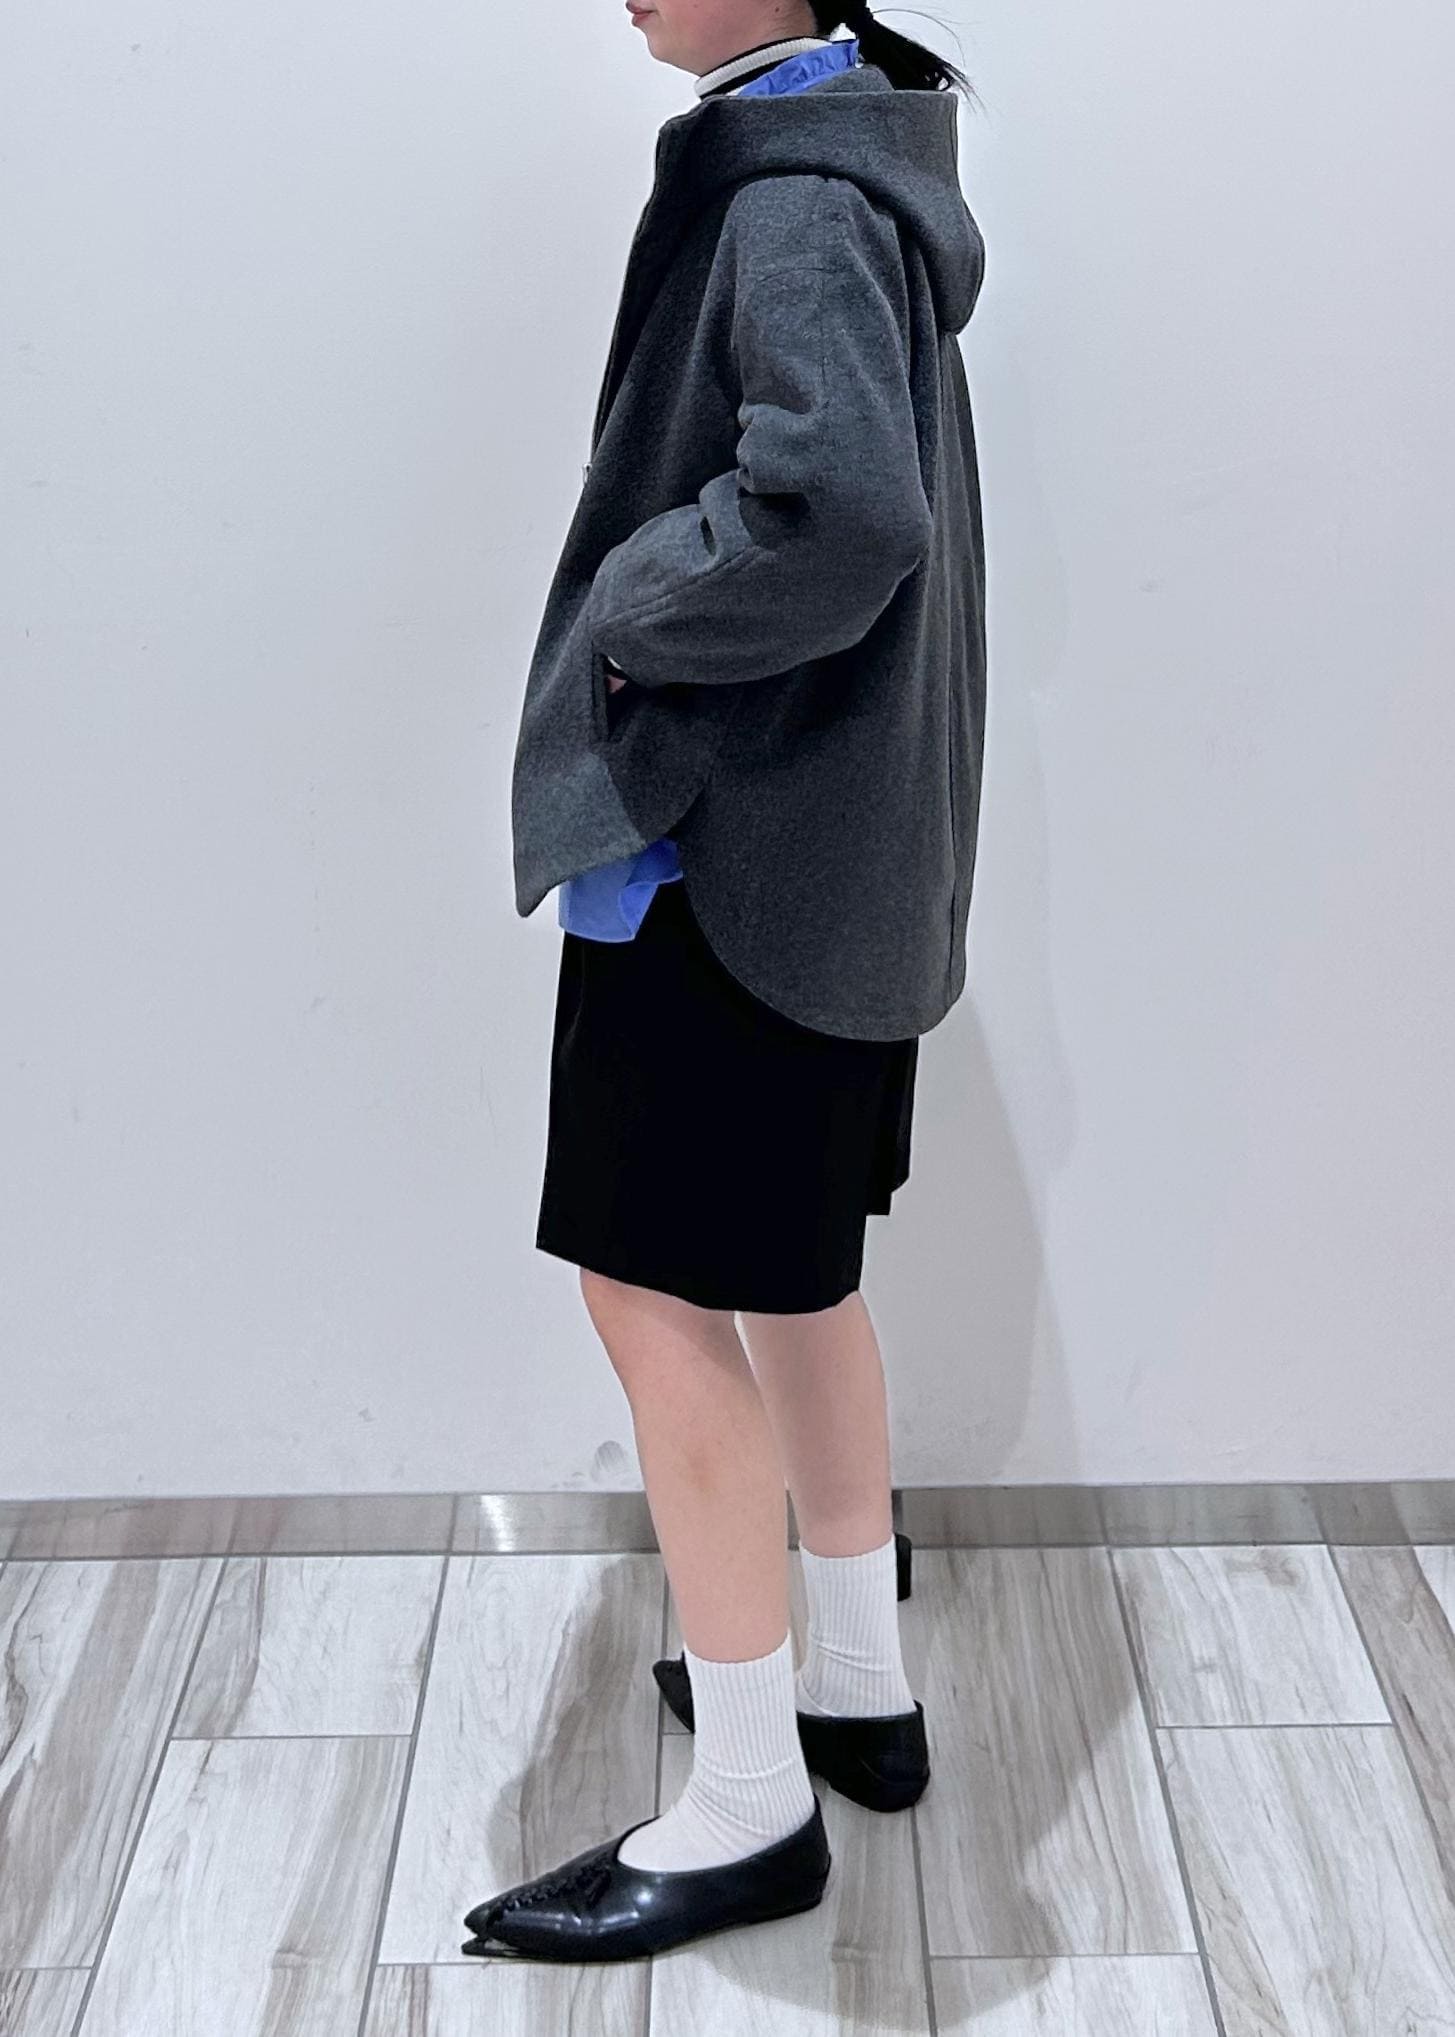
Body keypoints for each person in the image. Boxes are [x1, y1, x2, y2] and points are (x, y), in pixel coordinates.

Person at [465, 0, 987, 1963]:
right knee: (794, 1273)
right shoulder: (846, 157)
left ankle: (750, 1805)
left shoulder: (791, 197)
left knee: (652, 1290)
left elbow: (842, 508)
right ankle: (849, 1681)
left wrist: (632, 608)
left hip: (728, 863)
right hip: (827, 854)